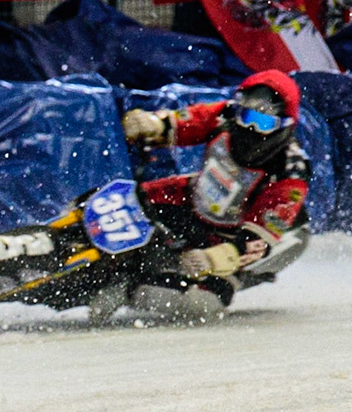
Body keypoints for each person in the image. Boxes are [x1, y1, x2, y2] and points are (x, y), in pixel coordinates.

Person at [115, 69, 310, 320]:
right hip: (192, 196)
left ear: (284, 125)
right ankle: (67, 229)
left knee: (198, 305)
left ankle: (126, 286)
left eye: (263, 123)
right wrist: (152, 125)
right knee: (125, 199)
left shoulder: (291, 171)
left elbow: (259, 236)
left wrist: (215, 258)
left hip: (230, 236)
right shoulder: (226, 115)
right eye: (246, 115)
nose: (249, 127)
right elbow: (190, 121)